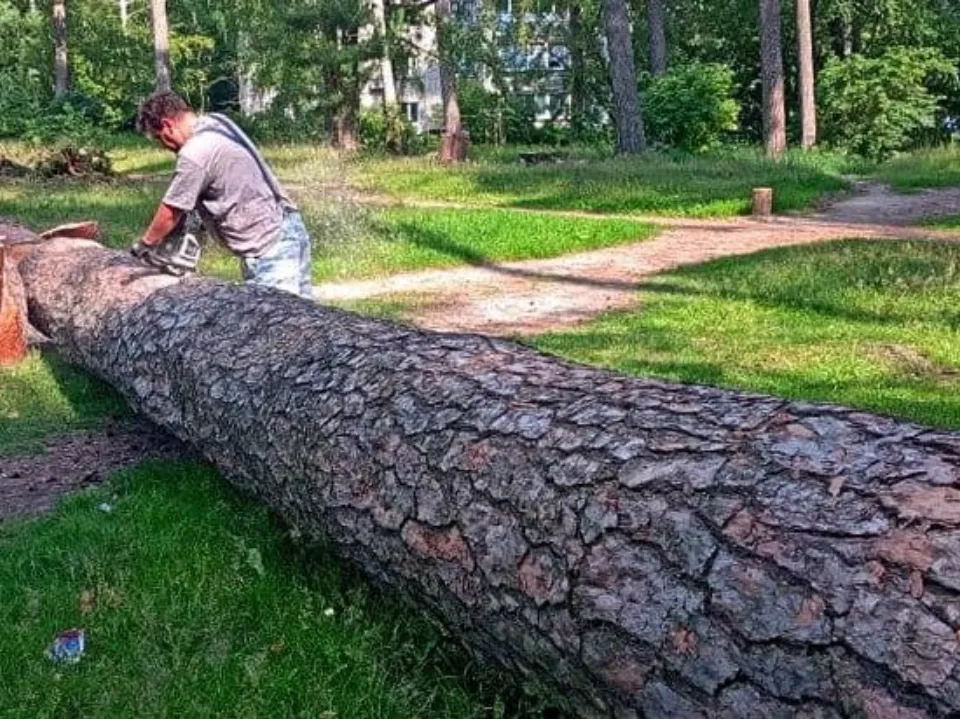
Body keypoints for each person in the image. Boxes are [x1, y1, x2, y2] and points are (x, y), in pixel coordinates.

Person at [133, 91, 313, 299]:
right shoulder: (216, 123)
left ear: (167, 125)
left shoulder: (196, 152)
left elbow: (172, 209)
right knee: (304, 319)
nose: (163, 146)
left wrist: (144, 245)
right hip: (286, 228)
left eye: (159, 138)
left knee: (279, 324)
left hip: (270, 246)